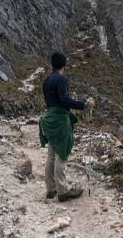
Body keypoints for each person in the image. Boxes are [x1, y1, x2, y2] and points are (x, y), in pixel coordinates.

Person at [39, 52, 95, 202]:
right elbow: (64, 101)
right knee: (62, 154)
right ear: (64, 64)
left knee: (51, 154)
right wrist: (84, 104)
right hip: (59, 119)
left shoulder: (47, 80)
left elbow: (53, 100)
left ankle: (51, 189)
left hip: (49, 118)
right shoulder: (61, 79)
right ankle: (63, 190)